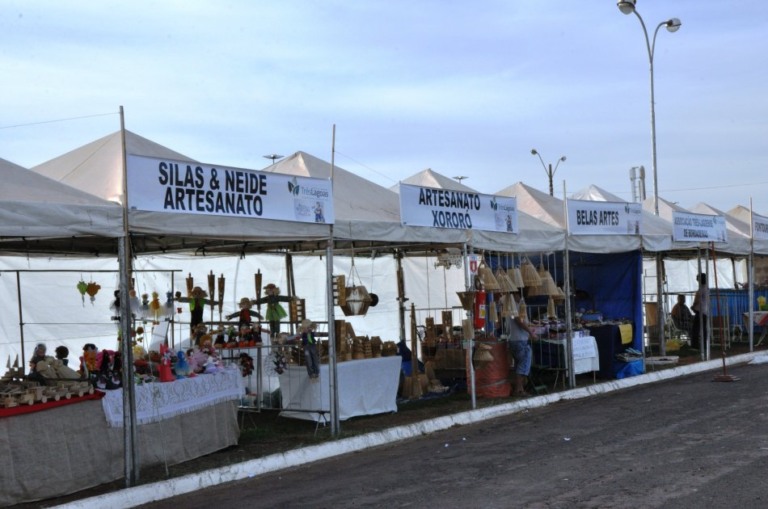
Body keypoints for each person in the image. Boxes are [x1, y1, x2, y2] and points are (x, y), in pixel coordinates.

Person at [505, 301, 536, 396]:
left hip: (514, 339)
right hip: (519, 340)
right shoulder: (515, 305)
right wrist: (530, 332)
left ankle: (519, 388)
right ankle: (518, 390)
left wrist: (529, 328)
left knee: (519, 364)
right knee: (523, 364)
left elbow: (521, 321)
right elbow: (519, 321)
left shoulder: (512, 304)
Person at [691, 273, 710, 350]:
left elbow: (697, 299)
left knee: (695, 329)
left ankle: (695, 345)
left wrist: (693, 306)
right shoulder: (707, 288)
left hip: (700, 311)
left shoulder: (701, 289)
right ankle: (705, 344)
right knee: (704, 329)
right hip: (705, 311)